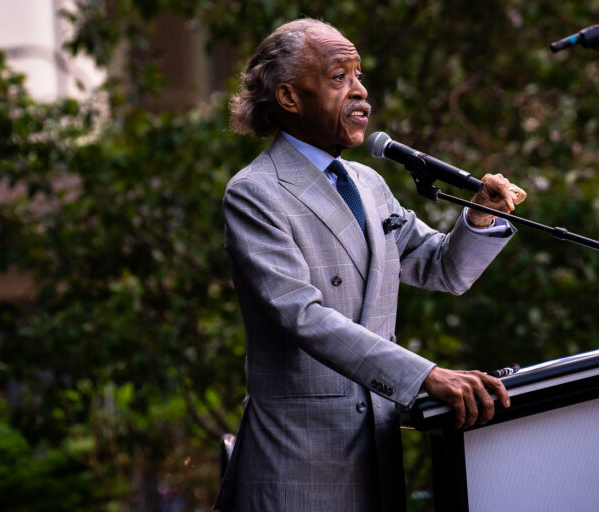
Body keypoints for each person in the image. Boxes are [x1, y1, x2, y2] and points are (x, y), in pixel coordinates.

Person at [214, 18, 527, 512]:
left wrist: (481, 216)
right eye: (339, 77)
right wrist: (425, 375)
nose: (360, 92)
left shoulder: (367, 183)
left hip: (376, 454)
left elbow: (442, 267)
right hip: (296, 465)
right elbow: (303, 316)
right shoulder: (256, 192)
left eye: (359, 76)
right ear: (290, 97)